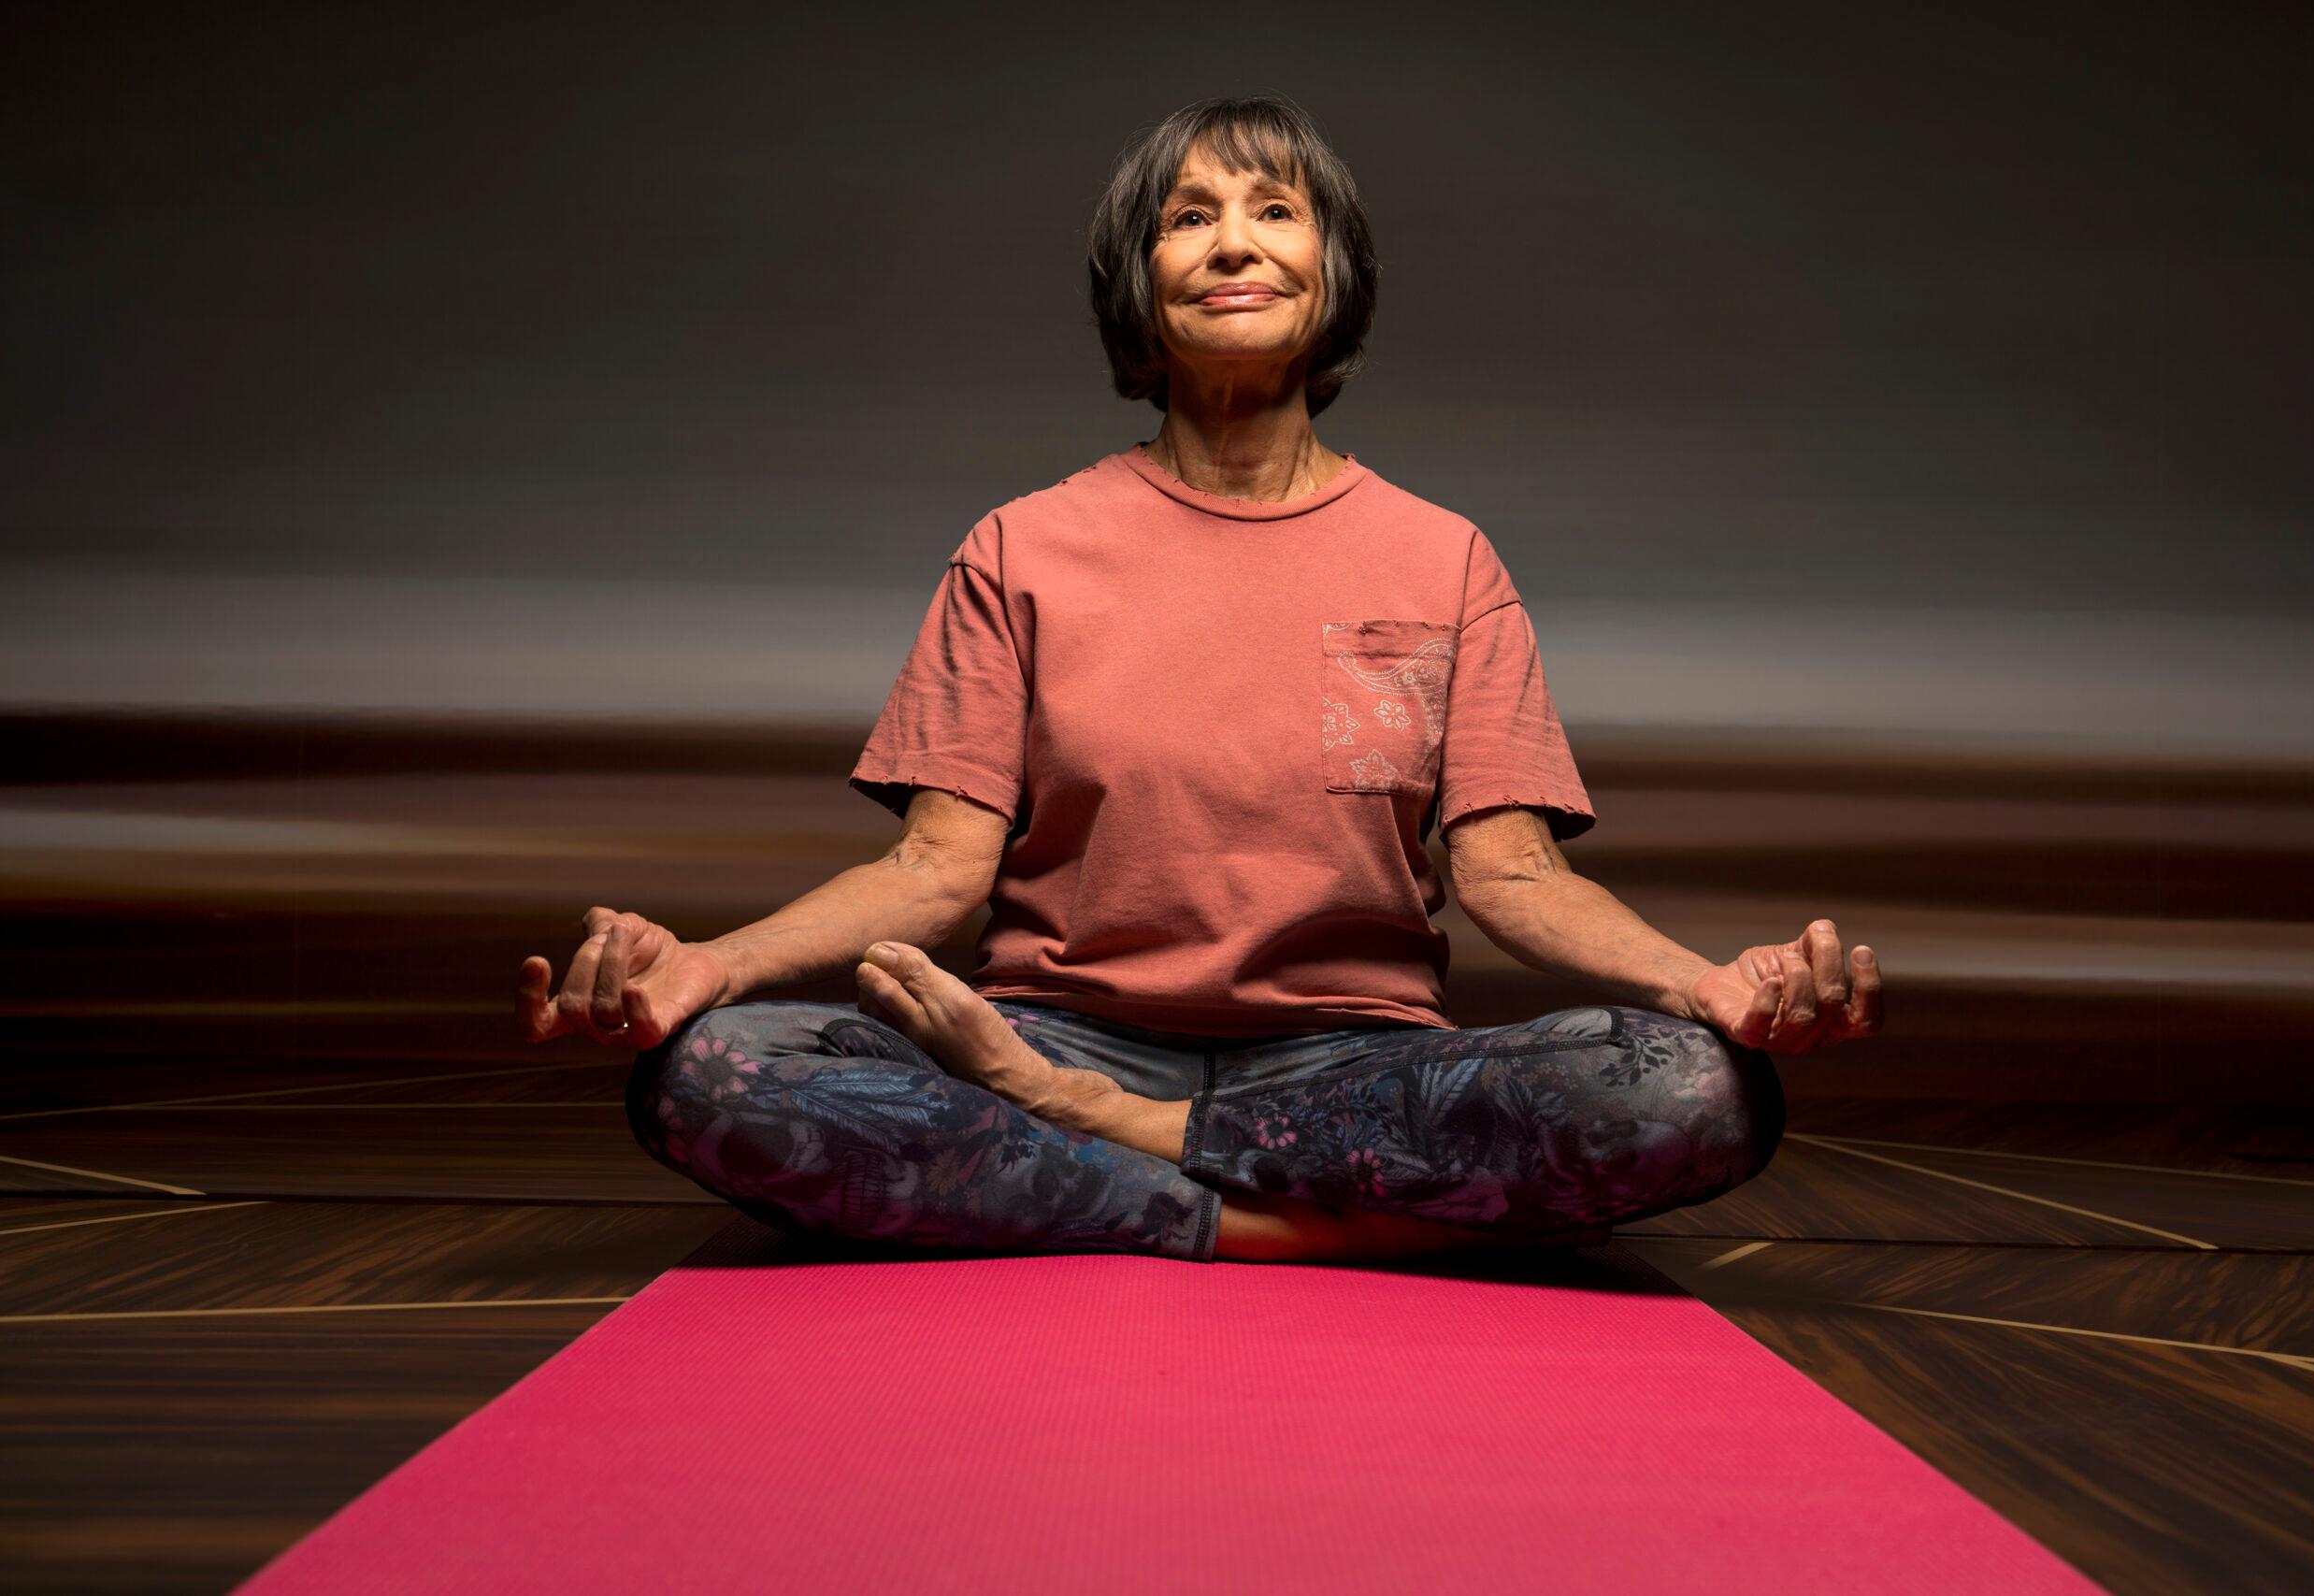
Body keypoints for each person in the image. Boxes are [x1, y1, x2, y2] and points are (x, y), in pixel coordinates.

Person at [515, 93, 1881, 1265]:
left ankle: (1116, 1163)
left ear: (1334, 273)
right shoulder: (1022, 547)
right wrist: (709, 965)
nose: (1234, 242)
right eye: (1187, 218)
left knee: (1691, 1089)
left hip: (1350, 1066)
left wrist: (1708, 987)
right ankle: (1284, 1225)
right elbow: (933, 870)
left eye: (1276, 211)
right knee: (716, 1071)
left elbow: (1515, 877)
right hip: (1051, 1036)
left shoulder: (1446, 558)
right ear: (1139, 286)